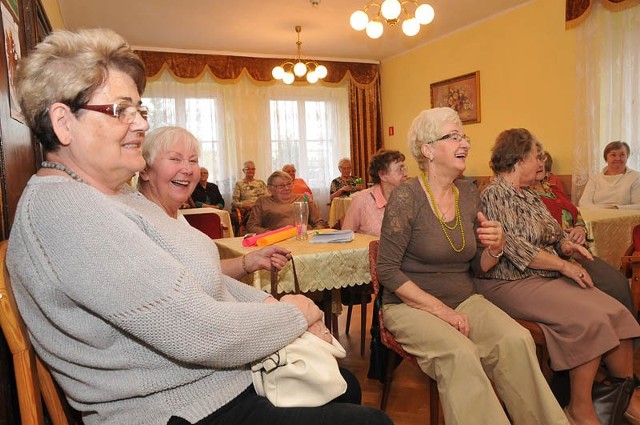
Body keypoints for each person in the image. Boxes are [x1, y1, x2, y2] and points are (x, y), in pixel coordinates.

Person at [6, 28, 392, 425]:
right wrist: (299, 313)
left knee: (345, 385)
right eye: (121, 110)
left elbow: (202, 282)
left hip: (208, 387)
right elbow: (197, 333)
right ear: (63, 122)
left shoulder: (109, 197)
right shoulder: (67, 212)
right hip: (176, 411)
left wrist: (271, 305)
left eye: (141, 110)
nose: (140, 124)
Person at [377, 108, 567, 425]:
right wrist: (441, 310)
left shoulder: (468, 193)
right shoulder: (406, 197)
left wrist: (496, 248)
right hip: (409, 305)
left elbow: (479, 266)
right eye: (452, 136)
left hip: (464, 298)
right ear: (427, 150)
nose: (464, 142)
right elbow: (387, 271)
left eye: (463, 136)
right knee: (460, 353)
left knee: (516, 340)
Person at [478, 128, 640, 425]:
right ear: (519, 160)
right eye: (535, 157)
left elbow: (553, 233)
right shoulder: (494, 194)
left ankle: (625, 398)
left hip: (543, 274)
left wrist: (567, 244)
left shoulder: (530, 195)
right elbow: (516, 248)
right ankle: (579, 410)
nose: (540, 162)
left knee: (616, 311)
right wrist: (564, 265)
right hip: (511, 279)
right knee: (589, 319)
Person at [138, 126, 291, 280]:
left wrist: (250, 261)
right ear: (144, 169)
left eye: (193, 160)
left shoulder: (173, 216)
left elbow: (202, 274)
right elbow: (182, 295)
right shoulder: (140, 225)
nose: (188, 169)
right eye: (175, 159)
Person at [532, 150, 635, 315]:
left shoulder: (552, 189)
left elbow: (576, 214)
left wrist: (580, 228)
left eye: (541, 159)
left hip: (577, 251)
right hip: (555, 257)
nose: (540, 164)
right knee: (606, 289)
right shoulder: (523, 195)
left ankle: (628, 334)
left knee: (619, 282)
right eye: (534, 159)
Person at [341, 149, 408, 237]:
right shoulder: (361, 200)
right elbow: (346, 236)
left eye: (405, 169)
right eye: (400, 169)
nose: (406, 174)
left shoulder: (409, 198)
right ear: (383, 175)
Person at [246, 171, 327, 234]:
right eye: (281, 186)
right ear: (270, 189)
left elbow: (319, 223)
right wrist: (271, 234)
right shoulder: (262, 201)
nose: (287, 188)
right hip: (276, 242)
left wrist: (313, 234)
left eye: (289, 184)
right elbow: (251, 226)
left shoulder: (303, 199)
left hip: (303, 239)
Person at [579, 141, 640, 209]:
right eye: (613, 155)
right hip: (597, 216)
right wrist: (602, 212)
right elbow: (584, 202)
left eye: (622, 155)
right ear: (606, 158)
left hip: (625, 217)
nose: (618, 158)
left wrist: (616, 208)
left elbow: (638, 205)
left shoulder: (636, 177)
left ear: (627, 157)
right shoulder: (594, 179)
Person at [232, 160, 269, 233]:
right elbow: (234, 203)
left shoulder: (260, 183)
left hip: (261, 208)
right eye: (248, 169)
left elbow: (268, 197)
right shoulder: (239, 184)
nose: (251, 171)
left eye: (253, 169)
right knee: (254, 214)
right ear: (243, 170)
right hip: (248, 210)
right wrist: (245, 205)